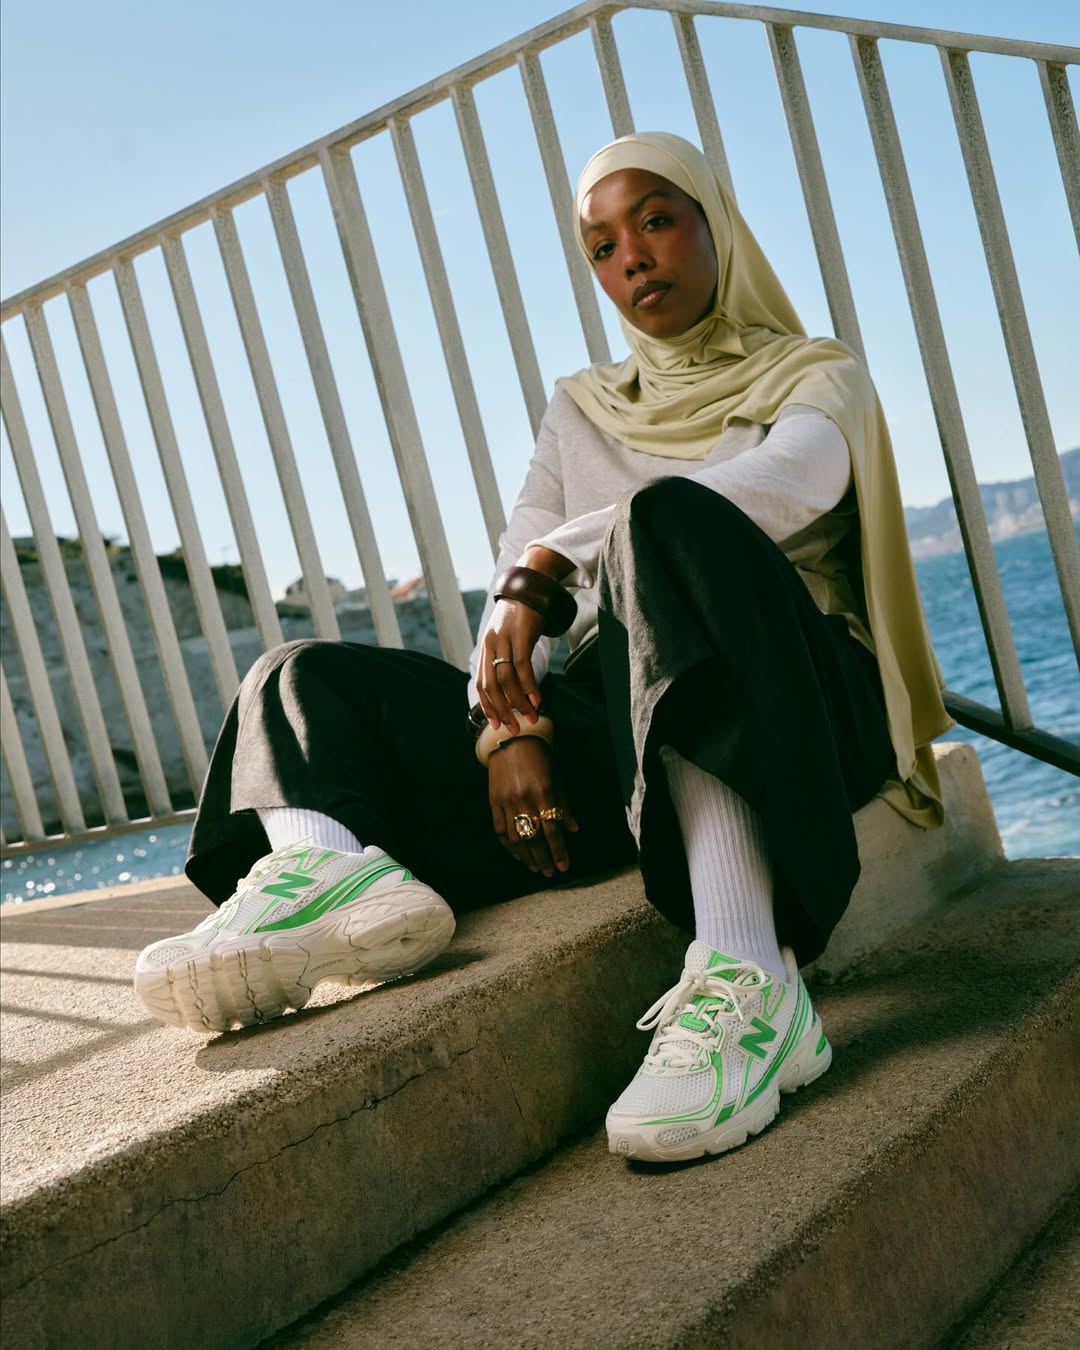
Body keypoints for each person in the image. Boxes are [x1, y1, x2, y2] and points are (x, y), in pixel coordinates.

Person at [134, 132, 950, 1164]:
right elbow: (512, 574)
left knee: (666, 522)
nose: (634, 260)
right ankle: (327, 881)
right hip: (628, 739)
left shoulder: (814, 373)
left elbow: (789, 485)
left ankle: (751, 973)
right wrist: (503, 727)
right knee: (301, 677)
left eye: (655, 220)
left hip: (788, 711)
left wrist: (559, 564)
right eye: (603, 247)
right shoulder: (584, 407)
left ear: (714, 227)